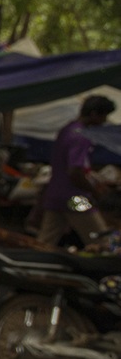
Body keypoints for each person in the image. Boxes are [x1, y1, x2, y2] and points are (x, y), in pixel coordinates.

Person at [36, 95, 116, 247]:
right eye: (103, 116)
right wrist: (95, 192)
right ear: (94, 114)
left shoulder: (67, 129)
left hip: (55, 195)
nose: (104, 121)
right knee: (101, 239)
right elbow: (75, 172)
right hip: (75, 199)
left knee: (45, 241)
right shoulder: (81, 136)